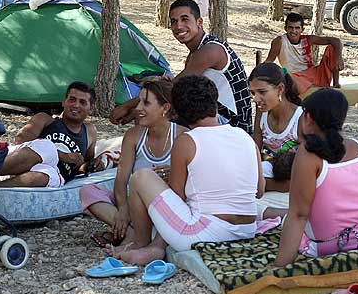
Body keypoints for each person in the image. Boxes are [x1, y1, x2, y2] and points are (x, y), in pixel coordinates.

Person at [112, 75, 263, 265]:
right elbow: (259, 190)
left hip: (205, 233)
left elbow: (177, 196)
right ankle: (155, 247)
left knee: (140, 177)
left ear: (178, 110)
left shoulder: (187, 141)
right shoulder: (244, 136)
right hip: (247, 229)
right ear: (214, 103)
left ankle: (141, 244)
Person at [273, 89, 358, 267]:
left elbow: (298, 214)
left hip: (331, 245)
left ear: (308, 119)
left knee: (289, 219)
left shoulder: (307, 155)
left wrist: (278, 268)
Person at [110, 0, 253, 134]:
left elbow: (173, 89)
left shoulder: (210, 50)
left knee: (155, 112)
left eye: (185, 19)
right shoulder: (197, 51)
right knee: (155, 107)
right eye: (174, 21)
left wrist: (128, 106)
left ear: (199, 22)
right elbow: (176, 86)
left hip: (233, 124)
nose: (178, 26)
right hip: (215, 114)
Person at [80, 78, 186, 247]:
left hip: (162, 206)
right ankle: (130, 232)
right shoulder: (133, 135)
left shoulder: (182, 137)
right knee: (88, 191)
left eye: (146, 103)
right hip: (132, 204)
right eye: (139, 102)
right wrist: (123, 209)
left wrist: (171, 174)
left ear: (165, 108)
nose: (138, 109)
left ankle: (128, 234)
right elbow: (121, 180)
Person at [0, 81, 100, 189]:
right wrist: (63, 156)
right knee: (47, 147)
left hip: (54, 174)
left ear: (91, 108)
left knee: (44, 176)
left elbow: (85, 164)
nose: (76, 105)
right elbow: (21, 141)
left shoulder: (90, 131)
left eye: (82, 102)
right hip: (23, 164)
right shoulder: (45, 119)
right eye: (72, 99)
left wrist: (92, 165)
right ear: (63, 102)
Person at [249, 62, 304, 192]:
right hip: (267, 171)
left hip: (294, 176)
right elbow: (255, 150)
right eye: (252, 93)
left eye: (262, 92)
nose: (256, 99)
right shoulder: (261, 113)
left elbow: (306, 165)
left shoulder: (300, 118)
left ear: (280, 89)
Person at [265, 12, 344, 93]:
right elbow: (269, 61)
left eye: (297, 28)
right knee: (287, 78)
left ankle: (336, 84)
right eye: (290, 27)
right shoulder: (279, 41)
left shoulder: (308, 39)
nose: (293, 31)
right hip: (295, 77)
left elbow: (336, 41)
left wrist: (339, 58)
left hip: (314, 74)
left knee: (333, 48)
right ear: (285, 28)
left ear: (302, 29)